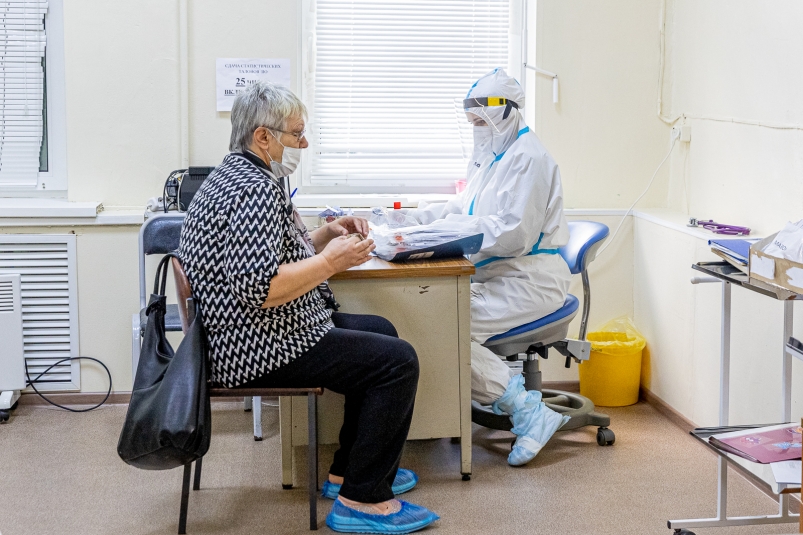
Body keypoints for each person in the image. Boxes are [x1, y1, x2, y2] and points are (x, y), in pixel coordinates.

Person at [178, 81, 439, 534]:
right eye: (296, 134)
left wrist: (325, 236)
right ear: (263, 136)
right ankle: (362, 500)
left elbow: (269, 255)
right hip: (256, 347)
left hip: (246, 333)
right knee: (398, 362)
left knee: (381, 331)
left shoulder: (234, 177)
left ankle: (349, 472)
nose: (304, 144)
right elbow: (259, 287)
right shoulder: (254, 190)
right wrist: (330, 262)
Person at [410, 68, 571, 466]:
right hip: (496, 277)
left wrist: (449, 230)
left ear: (506, 112)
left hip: (529, 281)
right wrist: (411, 222)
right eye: (472, 123)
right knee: (432, 320)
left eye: (481, 122)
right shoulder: (491, 158)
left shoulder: (528, 158)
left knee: (443, 329)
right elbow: (462, 207)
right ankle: (515, 404)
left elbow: (513, 234)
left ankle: (529, 411)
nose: (477, 131)